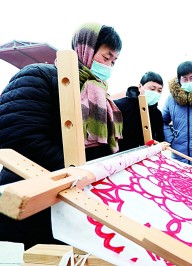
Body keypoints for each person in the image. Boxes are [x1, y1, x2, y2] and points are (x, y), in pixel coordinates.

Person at [0, 22, 123, 249]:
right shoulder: (37, 76)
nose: (109, 66)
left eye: (114, 61)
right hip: (30, 204)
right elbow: (18, 136)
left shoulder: (101, 97)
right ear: (85, 48)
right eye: (106, 57)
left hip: (74, 204)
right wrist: (80, 172)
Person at [114, 71, 165, 150]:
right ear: (140, 87)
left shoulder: (157, 114)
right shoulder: (120, 106)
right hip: (121, 157)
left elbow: (160, 140)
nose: (155, 93)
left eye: (159, 91)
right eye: (152, 89)